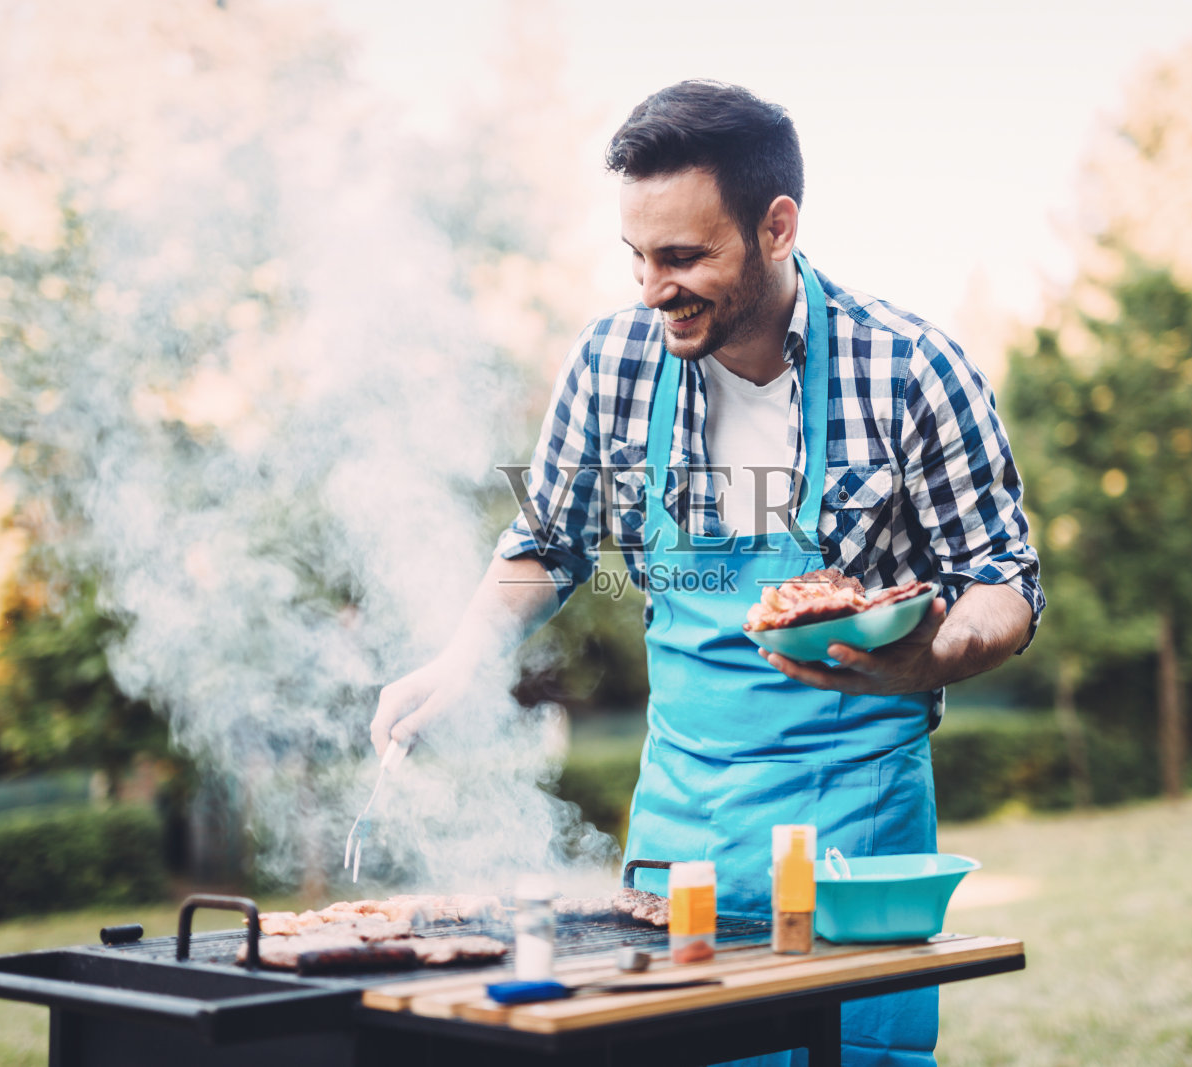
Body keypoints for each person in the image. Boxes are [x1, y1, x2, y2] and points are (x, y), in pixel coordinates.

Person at [371, 80, 1043, 1067]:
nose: (652, 288)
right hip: (678, 842)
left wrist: (931, 654)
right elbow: (547, 541)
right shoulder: (611, 362)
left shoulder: (911, 368)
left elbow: (1002, 580)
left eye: (683, 256)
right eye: (637, 257)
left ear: (777, 226)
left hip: (854, 848)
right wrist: (463, 657)